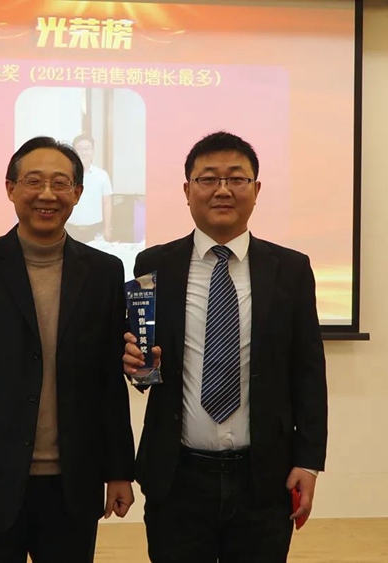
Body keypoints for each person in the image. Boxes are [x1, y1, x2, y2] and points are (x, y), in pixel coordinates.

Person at [0, 136, 135, 563]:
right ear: (10, 188)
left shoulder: (104, 272)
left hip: (74, 483)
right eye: (34, 181)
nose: (47, 194)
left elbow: (108, 384)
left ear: (78, 193)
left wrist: (119, 471)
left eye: (60, 183)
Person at [123, 131, 328, 563]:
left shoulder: (290, 269)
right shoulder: (154, 264)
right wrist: (138, 368)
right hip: (177, 478)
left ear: (256, 189)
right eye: (208, 179)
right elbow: (144, 365)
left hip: (263, 478)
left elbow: (308, 372)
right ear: (187, 190)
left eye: (236, 178)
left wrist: (308, 462)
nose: (222, 190)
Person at [66, 134, 113, 242]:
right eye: (80, 148)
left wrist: (107, 228)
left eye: (87, 148)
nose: (84, 152)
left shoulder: (102, 175)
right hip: (70, 229)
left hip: (95, 230)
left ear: (93, 151)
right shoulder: (66, 174)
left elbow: (107, 203)